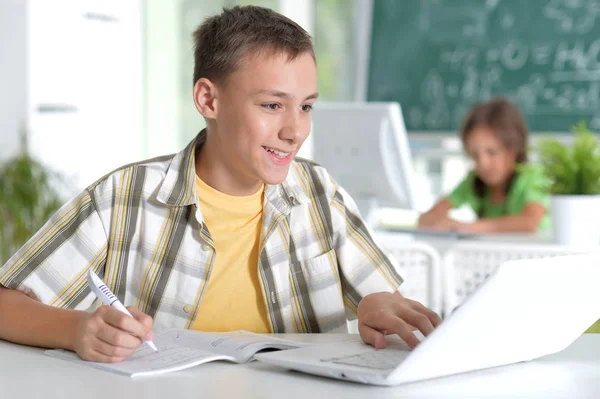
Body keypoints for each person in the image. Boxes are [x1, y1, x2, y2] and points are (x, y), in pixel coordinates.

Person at [0, 6, 440, 363]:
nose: (295, 131)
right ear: (208, 99)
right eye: (272, 104)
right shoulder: (124, 198)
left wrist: (376, 307)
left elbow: (383, 300)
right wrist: (77, 330)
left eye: (305, 106)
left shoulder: (318, 192)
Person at [418, 97, 550, 234]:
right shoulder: (473, 181)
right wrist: (437, 221)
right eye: (475, 155)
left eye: (492, 152)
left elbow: (529, 222)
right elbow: (426, 218)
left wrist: (468, 227)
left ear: (514, 148)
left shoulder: (534, 177)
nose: (483, 164)